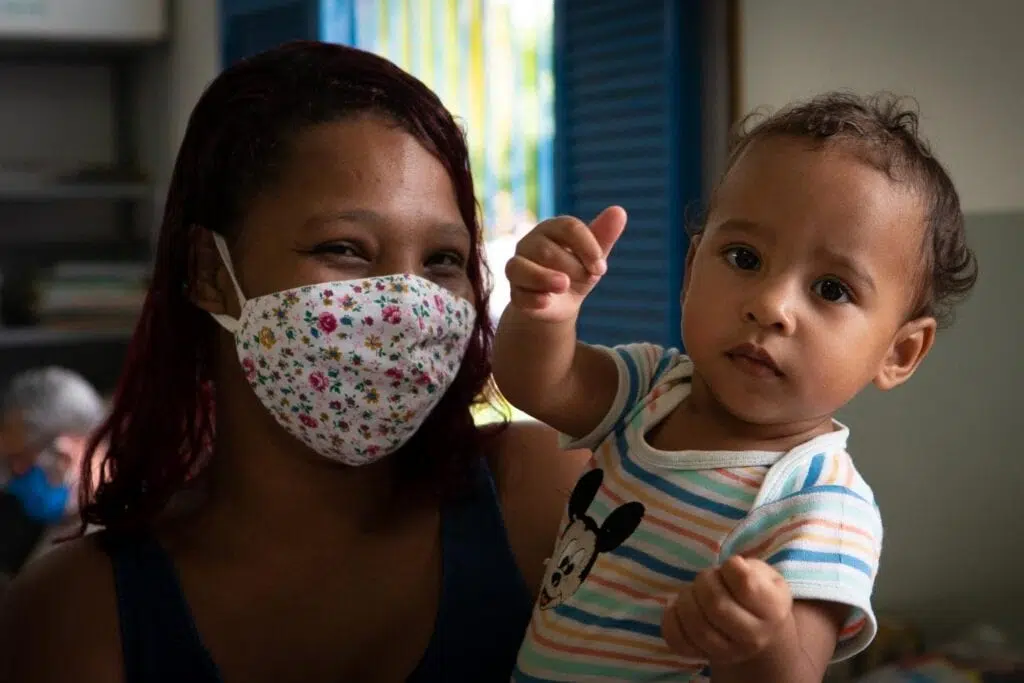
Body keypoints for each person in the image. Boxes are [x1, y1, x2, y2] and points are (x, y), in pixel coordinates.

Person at [0, 41, 588, 683]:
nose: (407, 305)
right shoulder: (74, 615)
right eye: (345, 248)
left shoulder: (543, 496)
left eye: (443, 260)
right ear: (209, 273)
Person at [493, 92, 978, 681]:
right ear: (693, 270)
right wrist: (544, 314)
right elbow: (539, 385)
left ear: (899, 352)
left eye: (831, 290)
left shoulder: (821, 504)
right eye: (744, 257)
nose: (770, 306)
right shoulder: (653, 386)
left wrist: (760, 639)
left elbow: (791, 675)